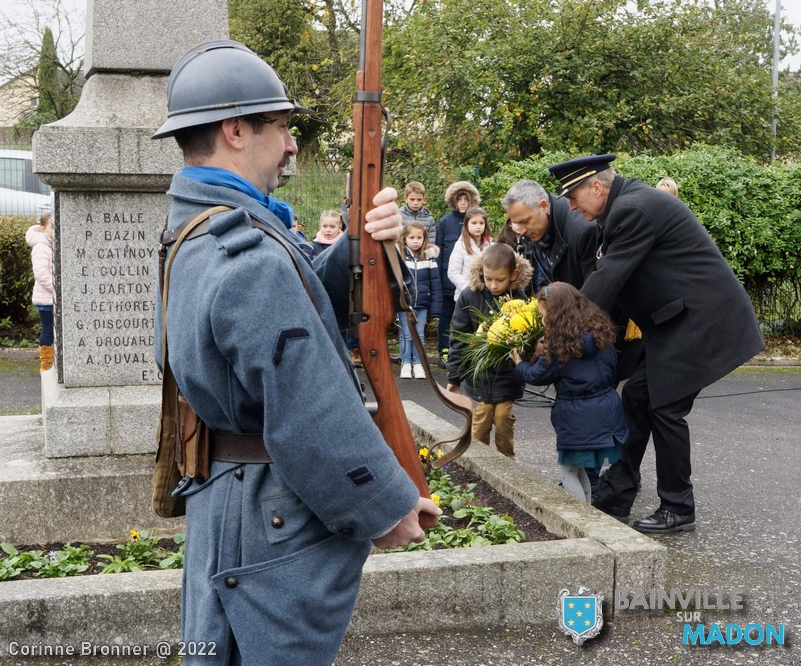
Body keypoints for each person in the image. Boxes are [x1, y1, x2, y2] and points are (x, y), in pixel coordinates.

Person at [151, 40, 440, 665]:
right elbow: (307, 404)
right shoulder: (243, 250)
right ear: (235, 130)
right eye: (280, 127)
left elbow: (295, 300)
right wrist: (383, 506)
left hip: (236, 502)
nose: (290, 144)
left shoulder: (204, 228)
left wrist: (358, 247)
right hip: (266, 516)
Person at [549, 153, 764, 534]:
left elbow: (608, 278)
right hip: (675, 321)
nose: (570, 205)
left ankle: (678, 508)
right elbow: (606, 282)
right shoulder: (621, 207)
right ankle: (617, 494)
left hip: (699, 320)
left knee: (665, 408)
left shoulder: (633, 209)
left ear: (596, 187)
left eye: (573, 196)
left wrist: (556, 327)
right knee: (637, 398)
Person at [511, 282, 628, 503]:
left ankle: (581, 519)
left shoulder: (559, 343)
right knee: (580, 469)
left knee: (568, 471)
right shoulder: (600, 331)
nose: (544, 320)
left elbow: (538, 375)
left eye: (544, 315)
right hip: (607, 410)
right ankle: (588, 512)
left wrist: (520, 362)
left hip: (577, 417)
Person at [446, 243, 533, 460]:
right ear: (481, 272)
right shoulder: (470, 296)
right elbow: (458, 337)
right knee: (482, 419)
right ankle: (478, 463)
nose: (493, 285)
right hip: (480, 374)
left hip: (507, 375)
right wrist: (454, 376)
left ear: (513, 275)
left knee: (503, 419)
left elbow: (528, 339)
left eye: (500, 280)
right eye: (488, 278)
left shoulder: (520, 299)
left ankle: (507, 463)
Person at [435, 181, 481, 368]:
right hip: (449, 279)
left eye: (466, 199)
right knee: (446, 316)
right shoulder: (445, 221)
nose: (463, 203)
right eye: (459, 199)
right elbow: (438, 250)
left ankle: (469, 352)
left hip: (472, 282)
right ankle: (444, 351)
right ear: (453, 201)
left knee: (471, 316)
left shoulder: (477, 220)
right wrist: (438, 279)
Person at [397, 221, 442, 380]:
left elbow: (435, 283)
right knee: (406, 335)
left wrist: (436, 307)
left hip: (422, 303)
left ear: (424, 239)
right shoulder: (399, 257)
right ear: (404, 238)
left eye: (419, 237)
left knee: (420, 334)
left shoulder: (429, 258)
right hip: (404, 304)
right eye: (412, 237)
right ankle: (406, 363)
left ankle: (418, 364)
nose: (415, 241)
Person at [26, 211, 54, 372]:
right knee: (48, 330)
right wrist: (57, 290)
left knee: (52, 330)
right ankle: (46, 365)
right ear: (43, 228)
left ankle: (52, 364)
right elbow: (41, 274)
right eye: (52, 227)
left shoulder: (49, 244)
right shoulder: (41, 247)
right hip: (46, 299)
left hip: (51, 297)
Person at [447, 206, 492, 303]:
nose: (478, 226)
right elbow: (453, 272)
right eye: (474, 223)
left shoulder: (490, 245)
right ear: (466, 224)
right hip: (465, 296)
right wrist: (468, 288)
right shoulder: (460, 245)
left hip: (486, 296)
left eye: (481, 223)